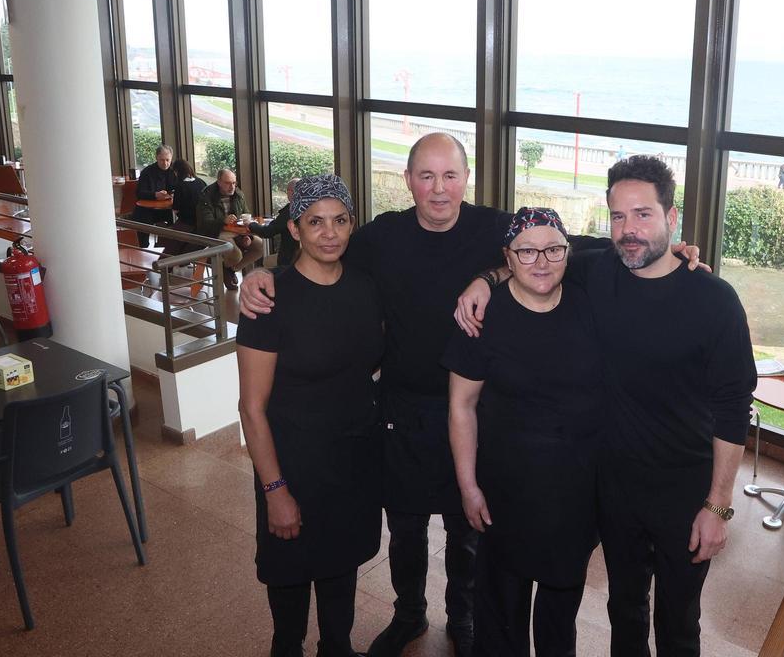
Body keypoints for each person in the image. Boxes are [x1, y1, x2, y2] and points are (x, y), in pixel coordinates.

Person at [240, 135, 701, 657]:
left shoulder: (490, 228)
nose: (439, 190)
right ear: (408, 180)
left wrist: (671, 251)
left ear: (467, 179)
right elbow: (319, 251)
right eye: (427, 177)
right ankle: (409, 612)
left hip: (473, 411)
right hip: (401, 411)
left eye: (450, 176)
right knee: (407, 528)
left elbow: (569, 247)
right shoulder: (380, 235)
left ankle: (461, 615)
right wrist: (261, 274)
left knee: (468, 528)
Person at [455, 155, 755, 657]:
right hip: (612, 489)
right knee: (626, 612)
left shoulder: (715, 300)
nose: (629, 230)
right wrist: (484, 280)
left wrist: (717, 505)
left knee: (679, 622)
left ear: (671, 217)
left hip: (684, 488)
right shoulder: (597, 273)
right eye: (618, 216)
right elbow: (536, 258)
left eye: (643, 214)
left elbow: (732, 406)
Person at [445, 207, 604, 657]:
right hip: (505, 494)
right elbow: (462, 406)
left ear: (567, 253)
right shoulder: (482, 317)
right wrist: (468, 485)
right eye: (527, 250)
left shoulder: (586, 302)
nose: (541, 261)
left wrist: (679, 250)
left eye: (553, 249)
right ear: (507, 258)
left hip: (574, 499)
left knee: (559, 618)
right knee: (501, 615)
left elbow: (631, 252)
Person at [237, 174, 384, 657]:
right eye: (315, 222)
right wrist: (275, 490)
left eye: (339, 220)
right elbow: (252, 409)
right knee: (291, 594)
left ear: (351, 224)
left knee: (341, 576)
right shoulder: (269, 300)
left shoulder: (365, 287)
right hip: (293, 467)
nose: (329, 233)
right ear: (295, 229)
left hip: (352, 465)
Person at [197, 168, 264, 290]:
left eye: (234, 183)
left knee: (260, 246)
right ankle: (228, 268)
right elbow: (205, 224)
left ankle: (229, 269)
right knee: (236, 255)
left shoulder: (238, 194)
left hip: (237, 232)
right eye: (228, 183)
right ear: (219, 182)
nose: (232, 186)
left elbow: (246, 214)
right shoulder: (207, 195)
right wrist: (223, 220)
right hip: (217, 232)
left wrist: (247, 236)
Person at [250, 178, 302, 269]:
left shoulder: (290, 211)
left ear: (290, 192)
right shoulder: (311, 208)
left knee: (266, 261)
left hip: (290, 260)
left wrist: (251, 224)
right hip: (307, 257)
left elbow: (267, 232)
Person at [132, 144, 178, 247]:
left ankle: (168, 247)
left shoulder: (174, 171)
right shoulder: (147, 172)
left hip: (168, 209)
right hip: (147, 210)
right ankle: (143, 247)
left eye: (168, 160)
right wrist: (155, 195)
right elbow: (139, 193)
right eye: (162, 160)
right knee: (142, 219)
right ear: (156, 158)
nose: (165, 163)